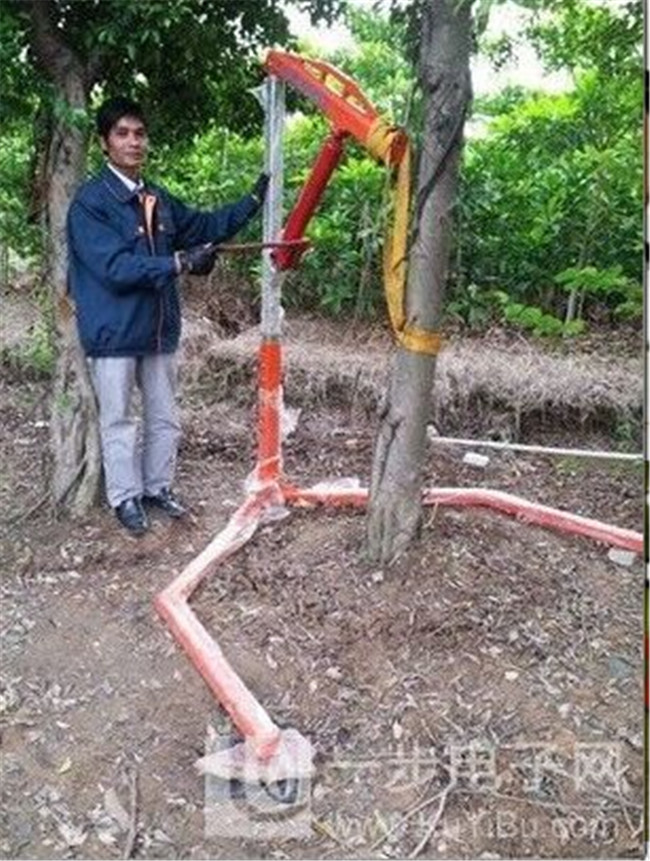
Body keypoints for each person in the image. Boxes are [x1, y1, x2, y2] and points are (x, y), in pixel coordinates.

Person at [67, 96, 268, 535]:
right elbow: (114, 268)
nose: (133, 142)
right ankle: (125, 497)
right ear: (104, 143)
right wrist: (179, 263)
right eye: (122, 133)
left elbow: (206, 227)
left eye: (139, 134)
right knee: (119, 419)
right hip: (113, 331)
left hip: (158, 329)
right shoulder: (91, 202)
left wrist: (254, 199)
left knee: (164, 417)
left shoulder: (156, 197)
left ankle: (157, 488)